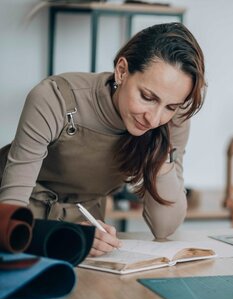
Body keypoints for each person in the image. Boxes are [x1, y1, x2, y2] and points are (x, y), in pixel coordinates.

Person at [0, 22, 206, 257]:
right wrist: (63, 234)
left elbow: (165, 227)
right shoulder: (55, 99)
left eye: (170, 106)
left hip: (84, 241)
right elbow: (9, 212)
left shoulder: (171, 121)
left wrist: (163, 150)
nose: (154, 118)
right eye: (147, 97)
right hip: (19, 231)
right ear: (121, 70)